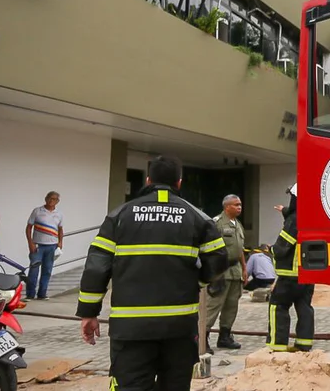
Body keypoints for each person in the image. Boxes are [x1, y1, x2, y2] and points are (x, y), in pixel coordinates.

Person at [76, 155, 228, 391]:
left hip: (130, 330)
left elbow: (96, 267)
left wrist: (88, 312)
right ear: (179, 182)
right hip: (179, 328)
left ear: (148, 180)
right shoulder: (198, 217)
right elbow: (218, 259)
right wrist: (196, 280)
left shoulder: (119, 216)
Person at [267, 183, 313, 353]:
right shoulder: (312, 216)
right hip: (308, 275)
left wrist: (270, 249)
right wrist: (285, 212)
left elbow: (282, 246)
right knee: (304, 308)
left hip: (289, 275)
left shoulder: (295, 219)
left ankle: (277, 346)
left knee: (278, 306)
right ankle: (304, 344)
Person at [204, 194, 246, 350]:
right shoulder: (217, 224)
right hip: (221, 270)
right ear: (226, 206)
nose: (239, 207)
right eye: (236, 205)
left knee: (231, 306)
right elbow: (209, 248)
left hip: (235, 271)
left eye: (240, 204)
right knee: (213, 305)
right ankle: (203, 337)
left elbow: (240, 248)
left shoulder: (238, 225)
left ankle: (225, 336)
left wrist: (244, 268)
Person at [25, 191, 64, 300]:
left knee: (47, 270)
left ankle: (42, 294)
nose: (51, 201)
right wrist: (30, 243)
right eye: (50, 198)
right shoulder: (37, 211)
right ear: (46, 198)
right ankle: (30, 294)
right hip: (38, 246)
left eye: (54, 199)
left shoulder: (59, 214)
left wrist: (60, 242)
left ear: (57, 201)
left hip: (52, 246)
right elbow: (28, 227)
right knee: (34, 270)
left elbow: (60, 229)